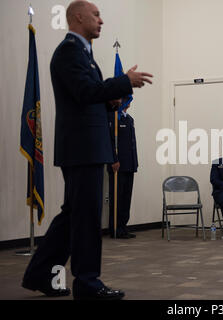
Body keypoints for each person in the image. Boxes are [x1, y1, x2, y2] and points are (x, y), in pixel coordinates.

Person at [21, 0, 153, 300]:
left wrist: (110, 100)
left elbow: (87, 96)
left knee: (73, 217)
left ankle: (40, 274)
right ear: (77, 17)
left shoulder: (84, 54)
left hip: (88, 148)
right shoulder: (69, 52)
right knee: (87, 218)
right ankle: (88, 283)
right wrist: (122, 83)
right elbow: (83, 92)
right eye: (96, 15)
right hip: (82, 149)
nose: (101, 21)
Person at [108, 105, 138, 239]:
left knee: (126, 198)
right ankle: (115, 228)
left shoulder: (129, 119)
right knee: (117, 198)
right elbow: (110, 142)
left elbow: (131, 143)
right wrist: (113, 160)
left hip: (129, 164)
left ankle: (123, 226)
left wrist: (134, 163)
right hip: (117, 166)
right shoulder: (113, 118)